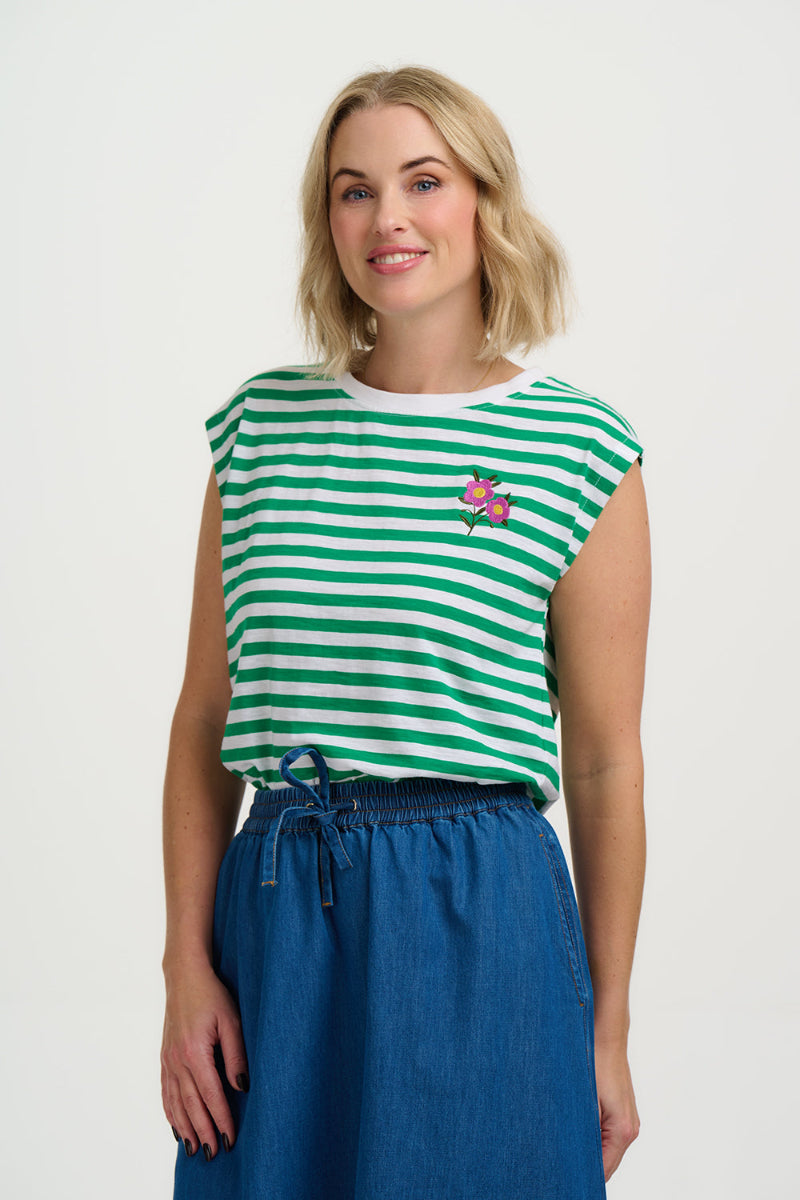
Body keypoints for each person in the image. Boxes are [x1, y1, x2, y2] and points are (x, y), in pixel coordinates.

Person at [160, 63, 650, 1200]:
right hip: (279, 913)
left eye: (422, 181)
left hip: (479, 913)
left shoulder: (576, 451)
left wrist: (607, 1026)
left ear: (484, 201)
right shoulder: (259, 432)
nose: (386, 218)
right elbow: (203, 719)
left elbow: (604, 761)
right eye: (351, 190)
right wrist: (185, 964)